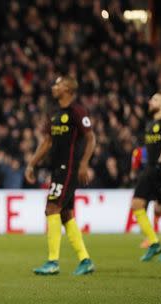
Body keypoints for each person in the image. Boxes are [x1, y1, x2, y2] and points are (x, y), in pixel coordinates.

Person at [25, 75, 96, 276]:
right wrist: (31, 164)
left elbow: (91, 138)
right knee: (66, 214)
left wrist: (84, 163)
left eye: (59, 84)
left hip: (70, 168)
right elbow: (47, 142)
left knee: (51, 208)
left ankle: (53, 261)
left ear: (68, 89)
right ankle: (85, 259)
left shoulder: (77, 111)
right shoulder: (55, 113)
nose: (54, 87)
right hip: (58, 168)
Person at [130, 92, 161, 263]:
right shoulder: (150, 124)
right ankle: (154, 243)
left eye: (155, 99)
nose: (150, 101)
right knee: (136, 204)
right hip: (149, 170)